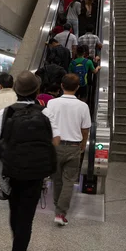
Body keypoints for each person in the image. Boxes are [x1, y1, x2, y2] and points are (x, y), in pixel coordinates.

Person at [0, 71, 60, 251]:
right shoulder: (45, 113)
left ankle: (17, 241)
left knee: (14, 210)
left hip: (11, 171)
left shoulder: (6, 113)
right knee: (26, 218)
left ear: (16, 91)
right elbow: (55, 141)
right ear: (37, 91)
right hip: (35, 174)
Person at [47, 74, 91, 226]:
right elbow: (85, 130)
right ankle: (60, 213)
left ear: (61, 86)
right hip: (73, 147)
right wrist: (83, 144)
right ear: (78, 88)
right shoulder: (83, 106)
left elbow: (47, 125)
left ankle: (57, 208)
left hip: (55, 147)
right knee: (69, 182)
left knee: (56, 180)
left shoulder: (52, 104)